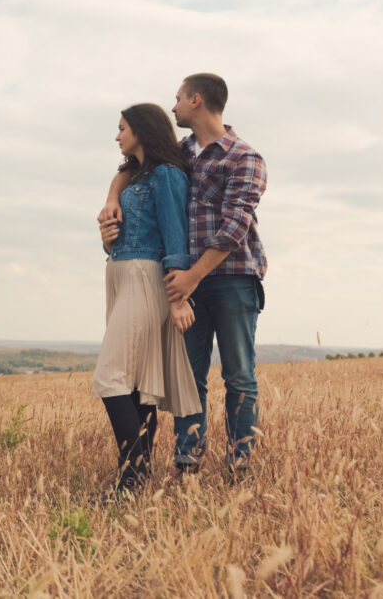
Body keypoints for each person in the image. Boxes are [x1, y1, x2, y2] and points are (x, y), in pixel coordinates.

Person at [98, 74, 266, 477]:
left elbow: (233, 230)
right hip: (183, 278)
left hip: (232, 277)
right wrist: (110, 198)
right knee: (189, 377)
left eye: (177, 100)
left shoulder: (244, 157)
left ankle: (239, 464)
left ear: (196, 100)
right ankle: (186, 463)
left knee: (238, 375)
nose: (172, 108)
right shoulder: (184, 152)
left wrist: (189, 278)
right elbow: (137, 167)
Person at [94, 103, 203, 497]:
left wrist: (177, 297)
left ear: (141, 129)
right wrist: (107, 239)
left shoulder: (167, 175)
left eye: (122, 127)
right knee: (138, 383)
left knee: (110, 378)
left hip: (145, 277)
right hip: (121, 273)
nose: (117, 135)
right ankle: (138, 478)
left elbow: (176, 237)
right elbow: (123, 231)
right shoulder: (133, 176)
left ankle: (133, 474)